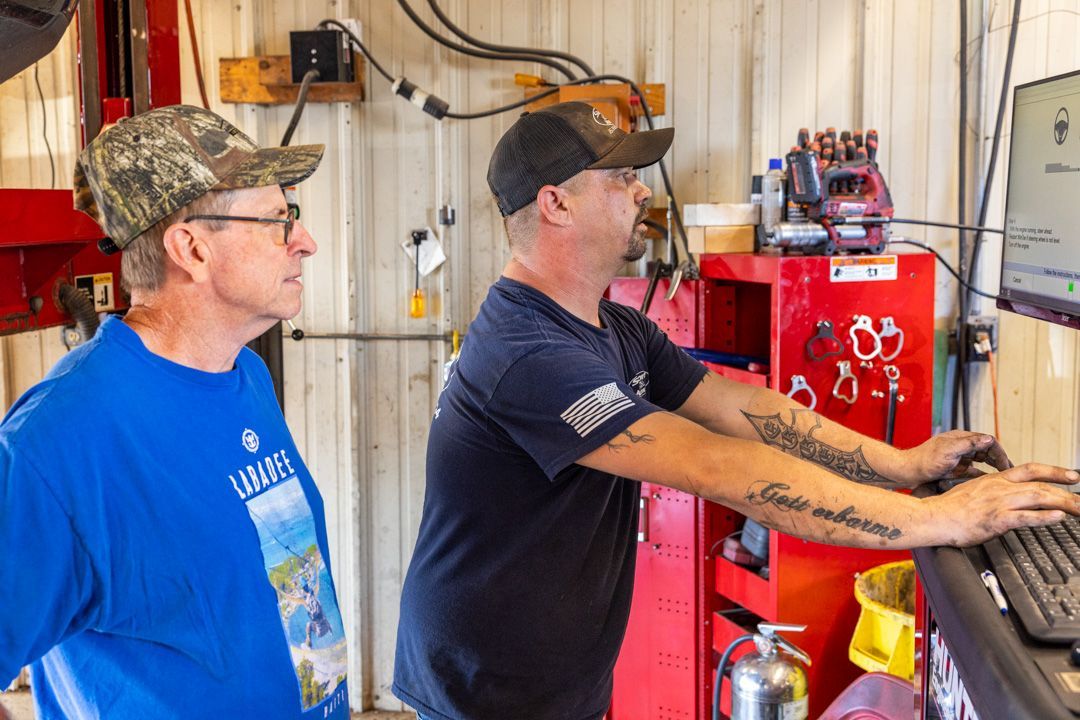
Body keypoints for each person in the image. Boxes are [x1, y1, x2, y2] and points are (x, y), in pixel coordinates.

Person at [392, 101, 1080, 720]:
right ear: (556, 205)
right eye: (618, 178)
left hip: (559, 678)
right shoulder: (526, 353)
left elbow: (741, 408)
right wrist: (935, 518)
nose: (640, 190)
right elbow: (716, 463)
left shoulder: (612, 326)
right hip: (484, 691)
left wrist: (899, 462)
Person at [0, 106, 350, 718]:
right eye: (276, 220)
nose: (304, 241)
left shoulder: (244, 373)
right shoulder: (56, 444)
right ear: (190, 247)